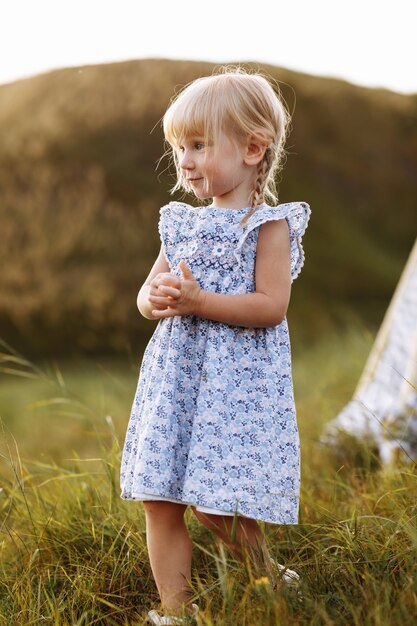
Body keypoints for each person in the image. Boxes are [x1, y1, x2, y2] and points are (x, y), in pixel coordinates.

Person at [120, 65, 311, 625]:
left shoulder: (268, 227)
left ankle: (271, 581)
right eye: (180, 146)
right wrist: (155, 299)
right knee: (160, 497)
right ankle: (176, 612)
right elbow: (147, 293)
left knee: (215, 507)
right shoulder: (179, 224)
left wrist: (201, 302)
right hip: (177, 378)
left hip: (234, 386)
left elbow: (270, 306)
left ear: (253, 149)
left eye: (199, 145)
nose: (185, 159)